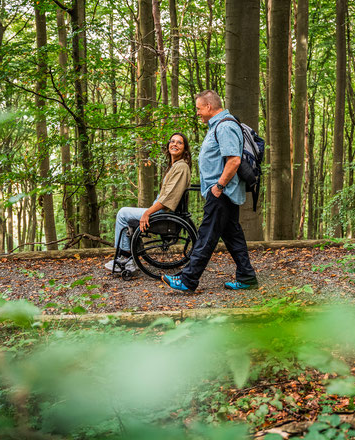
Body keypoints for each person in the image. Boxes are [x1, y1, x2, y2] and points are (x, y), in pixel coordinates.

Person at [161, 90, 258, 292]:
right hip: (223, 193)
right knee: (233, 236)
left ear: (208, 106)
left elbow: (234, 160)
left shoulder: (225, 127)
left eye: (198, 108)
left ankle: (188, 280)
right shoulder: (220, 126)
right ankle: (247, 277)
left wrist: (218, 186)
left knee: (206, 236)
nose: (197, 113)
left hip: (221, 193)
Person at [105, 133, 192, 273]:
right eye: (172, 141)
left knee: (122, 213)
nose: (175, 144)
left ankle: (125, 258)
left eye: (179, 143)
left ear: (185, 149)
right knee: (126, 214)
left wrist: (147, 212)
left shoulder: (181, 167)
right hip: (162, 210)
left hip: (164, 212)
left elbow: (168, 199)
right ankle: (127, 255)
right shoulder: (175, 166)